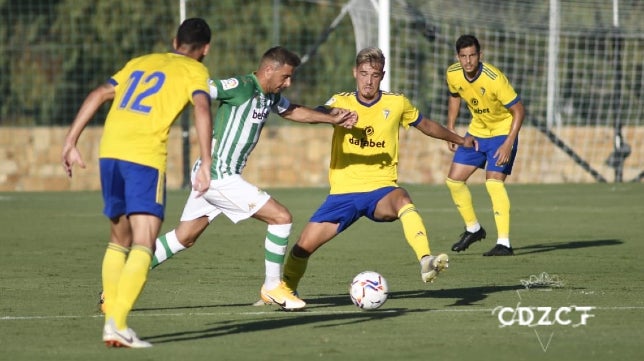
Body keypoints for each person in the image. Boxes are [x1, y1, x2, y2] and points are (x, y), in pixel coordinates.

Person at [149, 46, 357, 310]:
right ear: (268, 70)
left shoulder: (268, 96)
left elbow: (292, 111)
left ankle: (124, 277)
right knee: (281, 218)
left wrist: (331, 118)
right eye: (285, 77)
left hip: (219, 176)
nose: (288, 83)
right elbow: (201, 88)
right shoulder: (242, 86)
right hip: (217, 175)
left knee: (184, 237)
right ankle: (272, 286)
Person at [61, 18, 214, 348]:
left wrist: (70, 141)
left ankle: (111, 323)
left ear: (175, 41)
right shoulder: (195, 71)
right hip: (143, 158)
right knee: (144, 240)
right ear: (206, 49)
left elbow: (99, 93)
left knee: (118, 239)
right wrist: (207, 161)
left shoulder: (139, 62)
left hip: (110, 153)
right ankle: (117, 324)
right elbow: (202, 107)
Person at [281, 47, 476, 296]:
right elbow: (320, 111)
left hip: (380, 190)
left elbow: (426, 125)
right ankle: (284, 291)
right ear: (355, 73)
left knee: (403, 198)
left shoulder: (396, 103)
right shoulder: (341, 102)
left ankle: (426, 259)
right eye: (363, 74)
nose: (368, 81)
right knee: (301, 249)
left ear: (382, 75)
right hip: (343, 193)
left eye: (374, 75)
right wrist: (333, 116)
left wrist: (460, 140)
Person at [444, 34, 525, 256]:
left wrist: (508, 143)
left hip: (502, 131)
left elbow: (519, 110)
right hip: (477, 132)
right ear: (458, 57)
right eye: (463, 56)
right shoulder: (452, 73)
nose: (468, 61)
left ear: (480, 55)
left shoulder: (493, 78)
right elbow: (454, 95)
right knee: (453, 181)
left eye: (472, 55)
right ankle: (473, 229)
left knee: (493, 184)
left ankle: (504, 243)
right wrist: (451, 129)